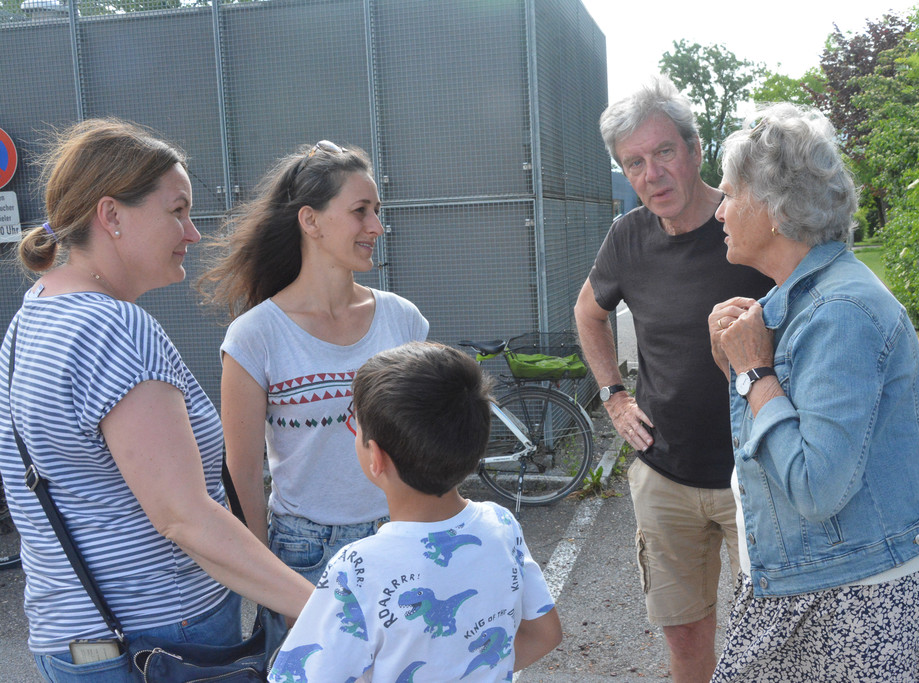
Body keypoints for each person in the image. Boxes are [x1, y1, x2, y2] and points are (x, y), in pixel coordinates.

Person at [0, 118, 313, 683]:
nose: (192, 232)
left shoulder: (35, 312)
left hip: (70, 636)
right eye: (177, 210)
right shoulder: (115, 329)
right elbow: (183, 516)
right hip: (161, 637)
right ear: (111, 215)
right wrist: (325, 612)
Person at [708, 103, 919, 681]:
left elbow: (817, 486)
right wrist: (738, 366)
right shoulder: (803, 299)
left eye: (730, 194)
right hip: (817, 576)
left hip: (850, 595)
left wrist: (753, 373)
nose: (718, 211)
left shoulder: (840, 312)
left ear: (774, 209)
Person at [574, 77, 773, 682]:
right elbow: (588, 312)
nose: (651, 174)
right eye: (633, 162)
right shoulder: (628, 235)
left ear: (695, 148)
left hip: (758, 475)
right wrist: (613, 396)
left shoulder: (750, 221)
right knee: (685, 640)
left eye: (663, 152)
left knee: (773, 645)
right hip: (665, 473)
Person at [198, 141, 428, 583]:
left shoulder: (403, 318)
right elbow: (242, 474)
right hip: (305, 553)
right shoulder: (255, 335)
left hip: (400, 537)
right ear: (310, 221)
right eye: (360, 211)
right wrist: (266, 580)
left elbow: (426, 445)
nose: (377, 226)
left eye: (376, 210)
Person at [268, 341, 562, 682]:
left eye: (356, 426)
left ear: (376, 457)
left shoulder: (356, 567)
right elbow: (545, 634)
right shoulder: (501, 524)